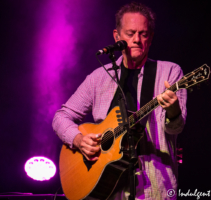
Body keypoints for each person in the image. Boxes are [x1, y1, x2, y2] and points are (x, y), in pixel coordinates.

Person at [53, 2, 187, 200]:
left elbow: (175, 129)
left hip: (155, 187)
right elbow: (61, 116)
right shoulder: (99, 78)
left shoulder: (169, 72)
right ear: (117, 36)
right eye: (130, 33)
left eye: (143, 34)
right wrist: (79, 140)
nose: (137, 40)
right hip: (107, 190)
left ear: (150, 37)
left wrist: (173, 109)